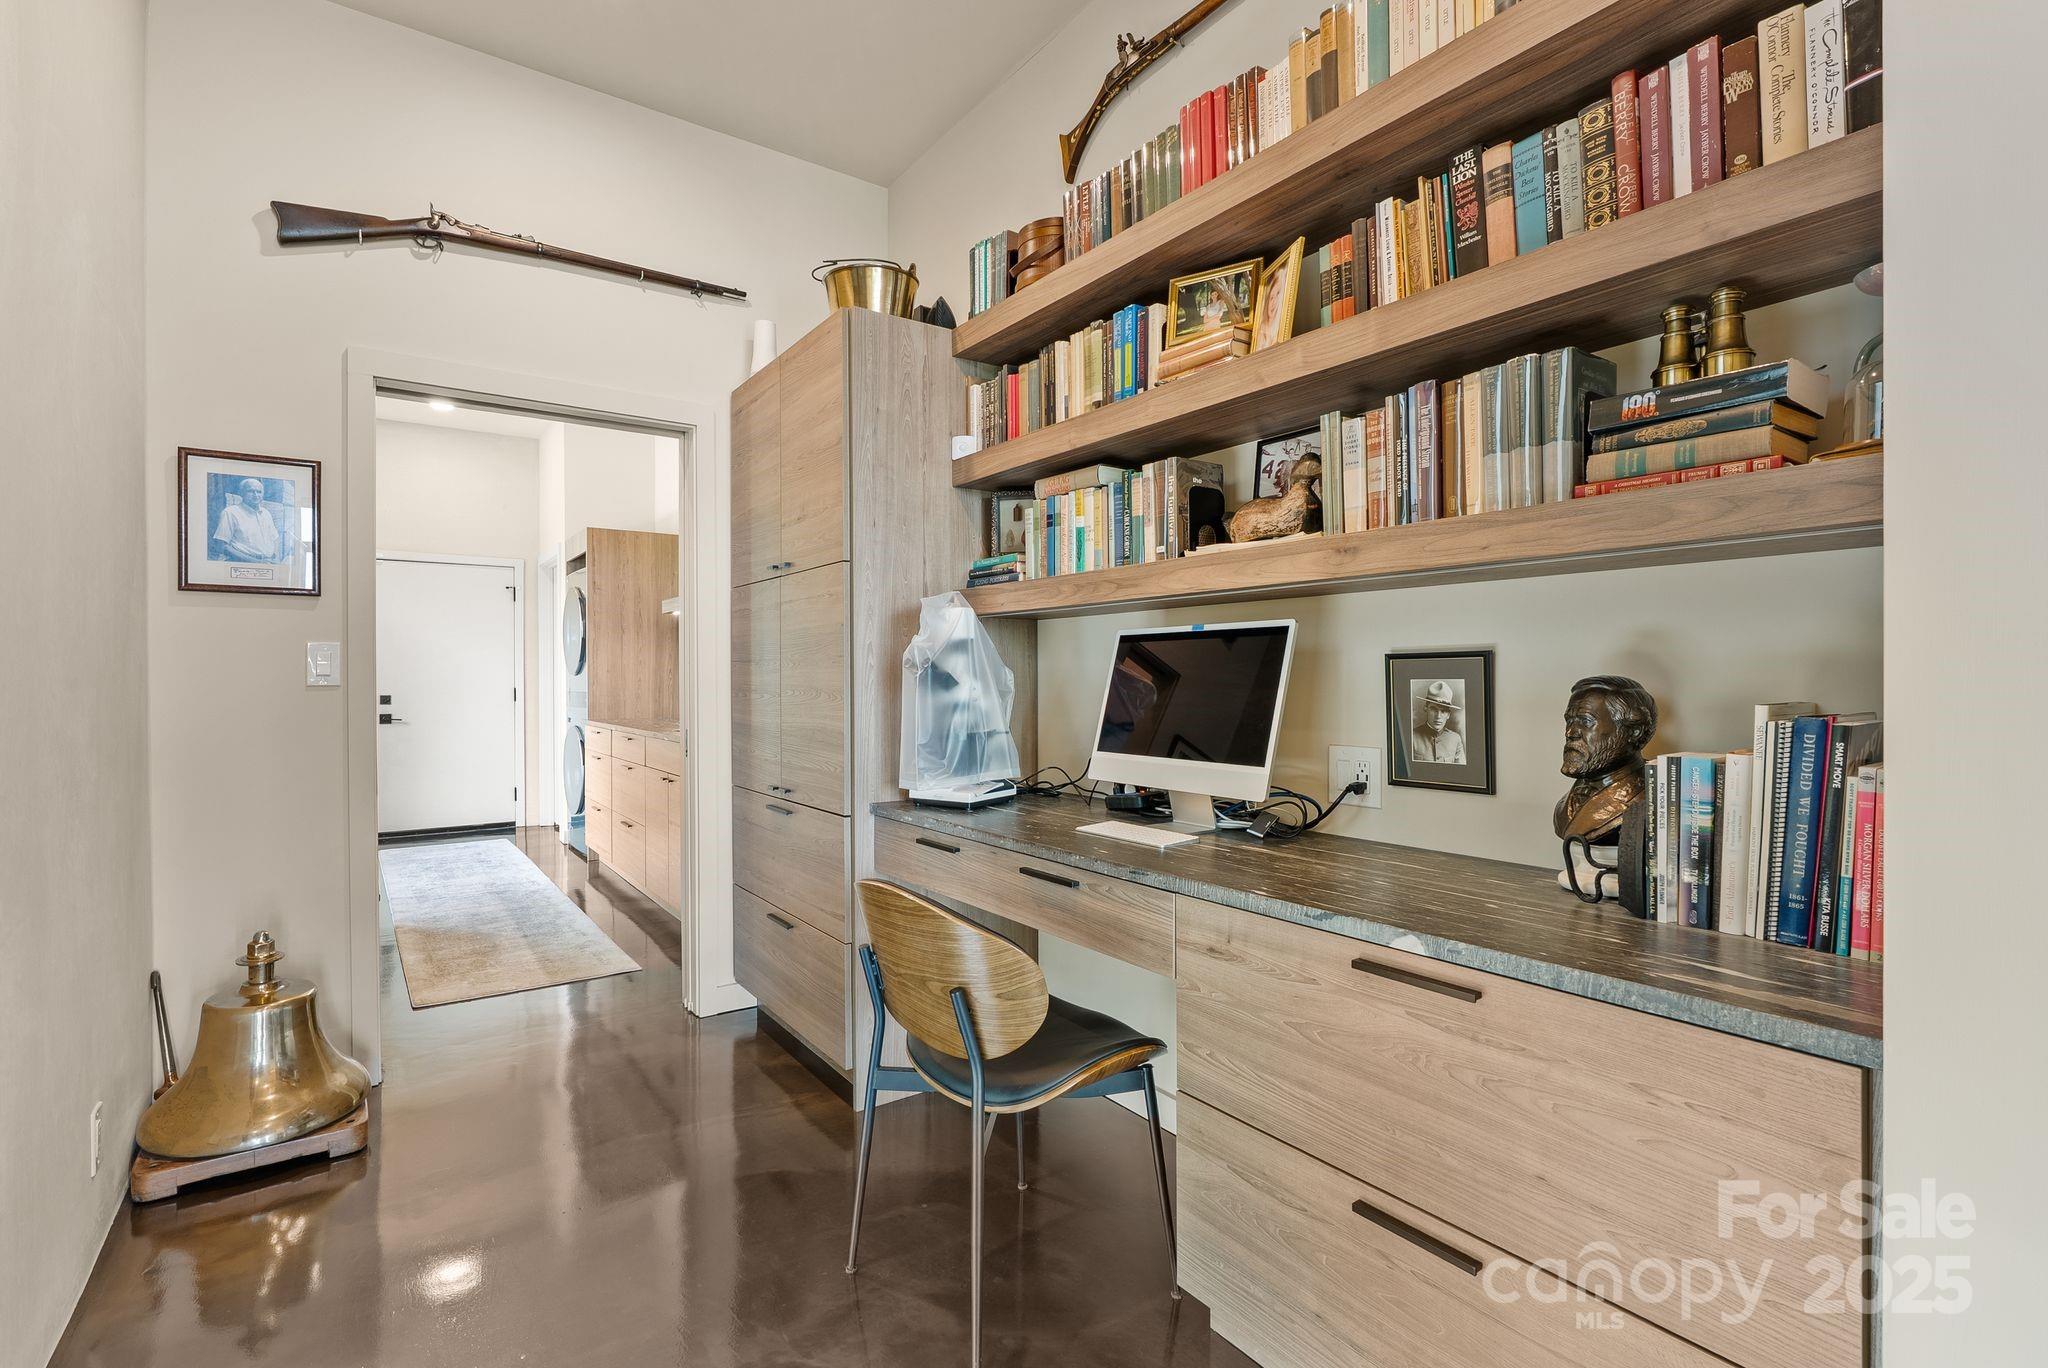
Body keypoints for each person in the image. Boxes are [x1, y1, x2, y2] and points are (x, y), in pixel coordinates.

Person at [212, 477, 282, 562]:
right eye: (251, 491)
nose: (256, 495)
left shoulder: (266, 513)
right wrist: (255, 561)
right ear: (241, 493)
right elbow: (222, 546)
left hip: (268, 563)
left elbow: (275, 538)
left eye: (259, 492)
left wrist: (275, 557)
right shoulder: (230, 512)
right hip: (241, 563)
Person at [1409, 679, 1466, 764]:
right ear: (1426, 708)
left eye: (1443, 711)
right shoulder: (1412, 738)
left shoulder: (1455, 739)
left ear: (1448, 715)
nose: (1438, 716)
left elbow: (1461, 770)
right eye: (1433, 709)